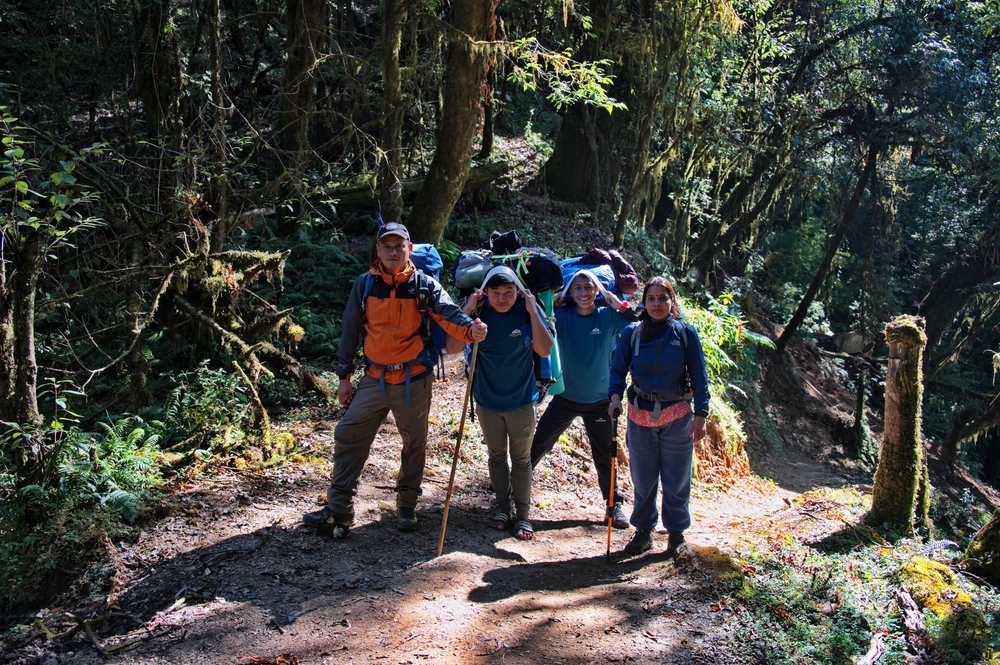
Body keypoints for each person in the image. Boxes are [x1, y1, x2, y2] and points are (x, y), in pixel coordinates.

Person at [303, 222, 488, 537]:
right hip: (374, 378)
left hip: (413, 380)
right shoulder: (365, 285)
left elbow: (449, 314)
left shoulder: (424, 285)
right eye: (386, 246)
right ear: (378, 250)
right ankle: (339, 507)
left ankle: (406, 506)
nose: (392, 251)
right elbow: (351, 330)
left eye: (398, 246)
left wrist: (471, 329)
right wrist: (344, 377)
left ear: (409, 249)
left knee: (414, 444)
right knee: (348, 434)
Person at [446, 266, 554, 541]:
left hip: (522, 399)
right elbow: (452, 348)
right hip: (487, 400)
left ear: (518, 292)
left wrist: (532, 310)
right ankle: (503, 509)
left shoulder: (525, 312)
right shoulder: (478, 314)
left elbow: (544, 350)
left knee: (521, 459)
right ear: (486, 293)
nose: (502, 298)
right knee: (496, 456)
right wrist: (468, 311)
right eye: (495, 292)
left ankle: (524, 514)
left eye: (508, 292)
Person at [608, 276, 709, 556]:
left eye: (662, 298)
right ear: (644, 302)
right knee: (643, 479)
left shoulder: (685, 334)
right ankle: (644, 531)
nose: (657, 304)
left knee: (677, 478)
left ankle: (676, 533)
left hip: (678, 415)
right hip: (639, 415)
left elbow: (699, 376)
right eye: (651, 299)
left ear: (672, 302)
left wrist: (701, 414)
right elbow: (617, 370)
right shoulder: (632, 333)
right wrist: (614, 397)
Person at [529, 269, 637, 528]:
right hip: (565, 396)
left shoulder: (607, 316)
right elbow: (537, 316)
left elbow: (637, 325)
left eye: (588, 287)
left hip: (600, 401)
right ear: (570, 292)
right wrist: (553, 303)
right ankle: (513, 493)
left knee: (605, 456)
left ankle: (613, 506)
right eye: (577, 287)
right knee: (538, 444)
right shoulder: (562, 316)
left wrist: (619, 304)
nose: (583, 292)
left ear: (597, 290)